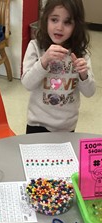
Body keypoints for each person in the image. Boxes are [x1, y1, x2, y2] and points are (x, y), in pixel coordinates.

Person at [21, 0, 95, 134]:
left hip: (67, 126)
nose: (59, 27)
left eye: (67, 22)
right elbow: (27, 84)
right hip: (38, 123)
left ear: (76, 25)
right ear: (45, 20)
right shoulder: (36, 47)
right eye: (54, 20)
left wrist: (83, 74)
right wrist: (44, 61)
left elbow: (90, 93)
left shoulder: (80, 53)